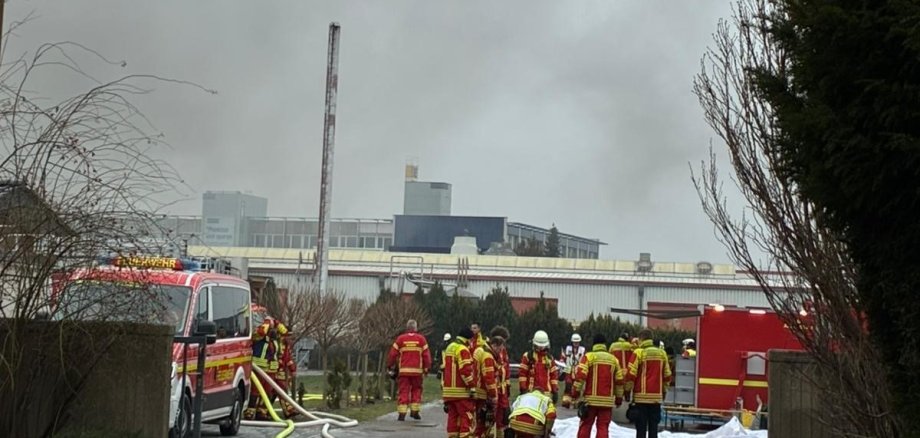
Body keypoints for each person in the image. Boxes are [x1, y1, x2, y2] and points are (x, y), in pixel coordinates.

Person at [571, 334, 624, 438]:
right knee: (603, 427)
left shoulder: (589, 357)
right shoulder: (614, 360)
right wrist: (619, 399)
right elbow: (619, 381)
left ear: (594, 344)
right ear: (605, 344)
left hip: (590, 401)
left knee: (585, 425)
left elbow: (581, 376)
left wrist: (575, 392)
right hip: (607, 402)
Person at [627, 329, 672, 438]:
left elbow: (631, 375)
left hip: (640, 398)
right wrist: (664, 391)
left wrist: (627, 391)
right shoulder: (662, 353)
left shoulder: (638, 353)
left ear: (641, 339)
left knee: (641, 429)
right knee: (653, 428)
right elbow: (667, 375)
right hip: (656, 398)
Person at [387, 319, 432, 420]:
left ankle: (402, 413)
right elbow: (426, 356)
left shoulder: (400, 339)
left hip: (404, 371)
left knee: (403, 391)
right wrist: (426, 368)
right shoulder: (421, 339)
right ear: (416, 328)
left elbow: (392, 354)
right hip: (417, 372)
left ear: (407, 328)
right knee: (417, 390)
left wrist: (390, 365)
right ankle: (414, 411)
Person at [442, 327, 478, 438]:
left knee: (453, 419)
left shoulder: (450, 347)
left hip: (449, 392)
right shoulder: (462, 349)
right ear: (468, 339)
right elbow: (465, 371)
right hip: (461, 392)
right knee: (466, 417)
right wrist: (472, 386)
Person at [245, 316, 279, 421]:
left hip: (271, 371)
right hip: (259, 369)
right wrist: (268, 322)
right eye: (271, 329)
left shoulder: (274, 340)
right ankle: (250, 412)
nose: (273, 331)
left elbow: (285, 331)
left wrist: (277, 324)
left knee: (268, 392)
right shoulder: (259, 338)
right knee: (255, 391)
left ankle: (262, 412)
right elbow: (261, 332)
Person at [519, 330, 559, 404]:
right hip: (531, 392)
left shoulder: (550, 358)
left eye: (542, 345)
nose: (541, 347)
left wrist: (555, 390)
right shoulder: (528, 356)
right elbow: (522, 374)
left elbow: (553, 376)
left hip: (546, 393)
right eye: (539, 345)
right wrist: (523, 388)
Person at [473, 335, 502, 438]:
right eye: (499, 348)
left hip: (479, 392)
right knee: (483, 422)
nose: (500, 351)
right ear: (494, 345)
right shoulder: (488, 356)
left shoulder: (482, 351)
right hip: (484, 394)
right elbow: (489, 378)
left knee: (480, 421)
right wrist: (493, 395)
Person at [490, 325, 512, 437]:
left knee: (502, 418)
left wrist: (507, 387)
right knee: (490, 418)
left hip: (502, 391)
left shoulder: (504, 351)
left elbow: (506, 369)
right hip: (494, 390)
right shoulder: (491, 351)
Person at [560, 333, 586, 408]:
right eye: (574, 342)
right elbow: (563, 357)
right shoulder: (567, 349)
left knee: (577, 386)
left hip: (578, 369)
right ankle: (566, 401)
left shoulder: (582, 350)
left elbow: (585, 359)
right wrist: (561, 361)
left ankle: (575, 402)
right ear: (572, 342)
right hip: (568, 369)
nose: (576, 343)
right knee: (568, 385)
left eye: (577, 342)